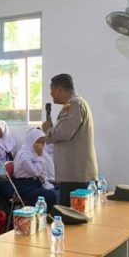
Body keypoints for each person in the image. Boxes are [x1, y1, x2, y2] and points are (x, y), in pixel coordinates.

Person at [41, 73, 98, 206]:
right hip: (73, 174)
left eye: (52, 90)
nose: (51, 94)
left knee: (74, 219)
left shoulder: (74, 104)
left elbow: (64, 133)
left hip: (76, 176)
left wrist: (48, 130)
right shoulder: (75, 104)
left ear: (60, 89)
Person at [13, 127, 59, 210]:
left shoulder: (34, 153)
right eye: (37, 142)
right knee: (50, 195)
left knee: (59, 189)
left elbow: (43, 171)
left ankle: (51, 214)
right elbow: (36, 172)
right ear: (31, 141)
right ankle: (43, 217)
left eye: (42, 142)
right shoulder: (24, 155)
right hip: (24, 186)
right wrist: (40, 154)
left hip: (35, 183)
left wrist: (46, 183)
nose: (40, 145)